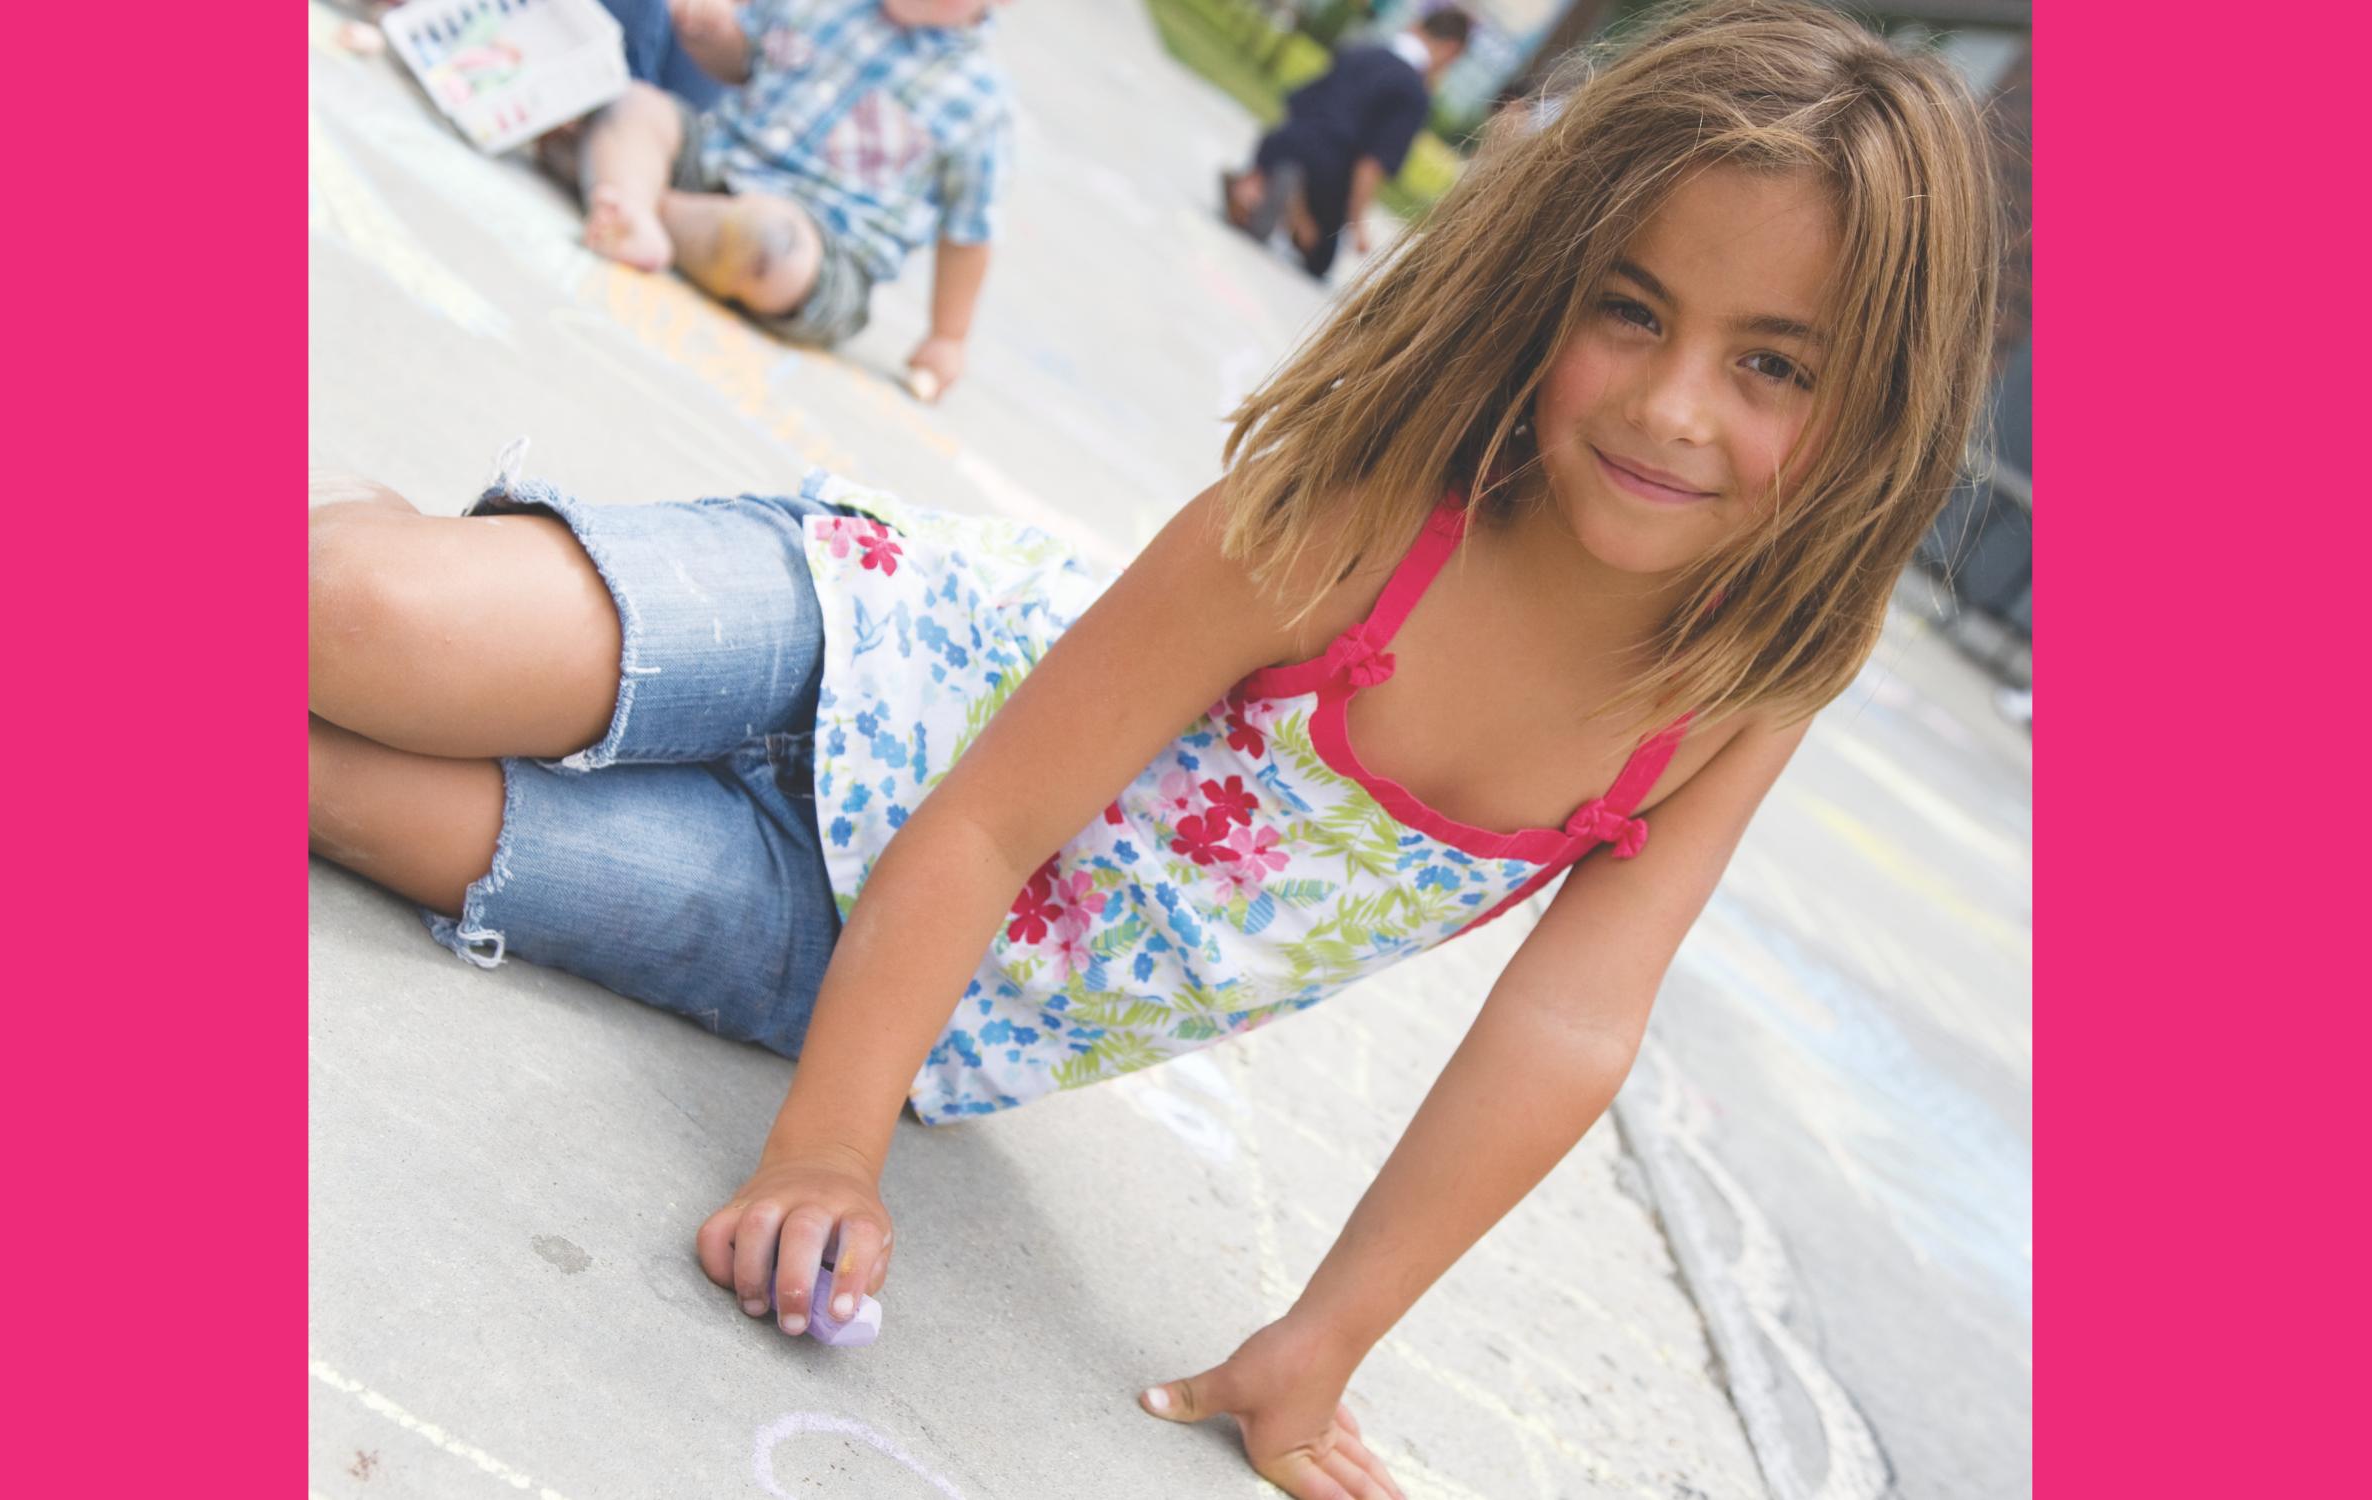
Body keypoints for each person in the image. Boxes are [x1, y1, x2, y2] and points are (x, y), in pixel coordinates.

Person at [307, 1, 2000, 1492]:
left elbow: (1568, 1024)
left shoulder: (1744, 688)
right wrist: (825, 1150)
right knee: (348, 624)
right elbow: (984, 820)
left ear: (1880, 405)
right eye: (1629, 314)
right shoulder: (1368, 521)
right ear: (1552, 288)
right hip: (859, 651)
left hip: (864, 966)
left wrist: (1320, 1340)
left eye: (1774, 364)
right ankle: (389, 550)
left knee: (334, 792)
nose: (1672, 406)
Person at [555, 0, 1013, 398]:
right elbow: (746, 59)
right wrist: (714, 35)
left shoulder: (978, 101)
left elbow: (968, 231)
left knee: (771, 247)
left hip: (818, 242)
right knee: (636, 105)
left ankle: (634, 198)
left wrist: (948, 337)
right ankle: (637, 209)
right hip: (719, 158)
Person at [1221, 6, 1470, 280]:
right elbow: (1371, 164)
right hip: (1328, 171)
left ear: (1416, 26)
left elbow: (1299, 103)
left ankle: (1256, 187)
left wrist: (1262, 163)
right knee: (1320, 258)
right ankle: (1297, 215)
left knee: (1288, 164)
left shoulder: (1359, 51)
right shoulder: (1412, 91)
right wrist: (1357, 226)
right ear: (1450, 49)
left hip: (1285, 141)